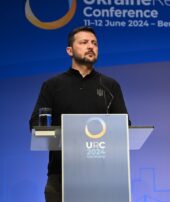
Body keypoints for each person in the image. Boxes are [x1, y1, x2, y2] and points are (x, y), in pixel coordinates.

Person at [29, 26, 130, 202]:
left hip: (104, 177)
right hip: (61, 176)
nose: (91, 46)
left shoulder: (110, 86)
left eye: (94, 43)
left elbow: (124, 126)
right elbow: (36, 123)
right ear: (70, 50)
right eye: (84, 42)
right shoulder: (52, 85)